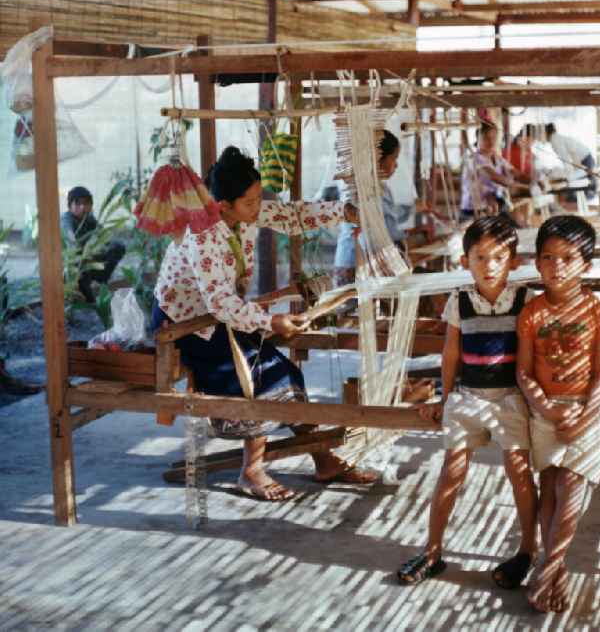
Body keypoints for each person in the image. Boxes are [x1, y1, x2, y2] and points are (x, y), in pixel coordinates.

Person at [152, 146, 377, 501]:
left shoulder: (245, 212)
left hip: (220, 316)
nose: (259, 209)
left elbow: (291, 216)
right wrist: (271, 319)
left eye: (259, 199)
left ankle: (323, 460)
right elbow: (221, 303)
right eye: (251, 202)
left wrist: (343, 212)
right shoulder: (202, 235)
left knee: (287, 374)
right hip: (188, 324)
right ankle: (251, 470)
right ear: (223, 204)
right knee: (265, 381)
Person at [397, 215, 538, 588]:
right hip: (467, 396)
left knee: (520, 474)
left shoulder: (525, 301)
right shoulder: (460, 301)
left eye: (498, 257)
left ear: (514, 261)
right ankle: (432, 551)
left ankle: (527, 551)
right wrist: (445, 400)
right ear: (465, 262)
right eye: (479, 257)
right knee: (450, 474)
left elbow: (531, 357)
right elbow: (450, 355)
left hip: (510, 399)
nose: (489, 266)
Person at [517, 215, 600, 613]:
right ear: (538, 263)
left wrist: (585, 416)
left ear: (587, 265)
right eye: (549, 257)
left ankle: (549, 566)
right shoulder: (532, 313)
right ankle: (555, 572)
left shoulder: (598, 312)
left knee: (572, 486)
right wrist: (548, 409)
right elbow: (524, 373)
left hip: (588, 412)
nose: (557, 266)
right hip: (545, 414)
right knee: (550, 483)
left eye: (569, 258)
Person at [333, 129, 414, 286]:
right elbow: (386, 232)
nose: (396, 165)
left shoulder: (373, 188)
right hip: (359, 268)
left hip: (355, 263)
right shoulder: (361, 190)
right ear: (378, 158)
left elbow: (388, 224)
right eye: (394, 158)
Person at [60, 185, 126, 304]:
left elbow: (104, 237)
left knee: (118, 246)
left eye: (86, 204)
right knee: (90, 301)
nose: (83, 207)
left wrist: (101, 247)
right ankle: (84, 295)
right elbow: (70, 239)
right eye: (78, 204)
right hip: (72, 266)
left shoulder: (89, 219)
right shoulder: (66, 219)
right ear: (70, 206)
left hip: (87, 260)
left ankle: (101, 278)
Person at [461, 123, 529, 221]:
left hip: (492, 205)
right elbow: (495, 177)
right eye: (486, 138)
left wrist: (533, 181)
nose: (491, 141)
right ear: (478, 138)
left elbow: (516, 173)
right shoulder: (474, 159)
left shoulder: (497, 158)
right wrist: (525, 187)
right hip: (474, 209)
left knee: (517, 222)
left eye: (494, 138)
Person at [544, 123, 596, 202]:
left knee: (577, 191)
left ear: (545, 133)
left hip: (585, 162)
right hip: (587, 160)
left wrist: (566, 177)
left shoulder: (555, 140)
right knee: (583, 188)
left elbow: (566, 160)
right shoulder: (557, 138)